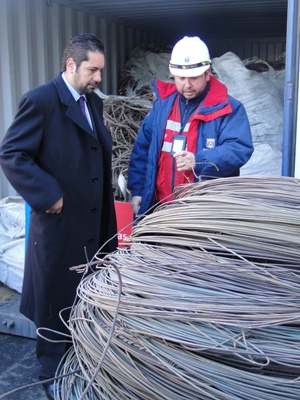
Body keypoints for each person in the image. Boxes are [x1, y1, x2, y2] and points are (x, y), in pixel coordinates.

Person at [0, 33, 117, 399]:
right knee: (54, 305)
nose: (99, 77)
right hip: (59, 227)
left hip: (92, 224)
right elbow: (12, 153)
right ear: (71, 65)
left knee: (84, 297)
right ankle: (53, 378)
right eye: (93, 70)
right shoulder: (42, 101)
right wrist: (49, 196)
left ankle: (81, 360)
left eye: (101, 69)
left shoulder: (92, 103)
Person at [128, 36, 254, 217]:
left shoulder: (229, 109)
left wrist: (199, 160)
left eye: (194, 78)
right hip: (160, 208)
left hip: (204, 214)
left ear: (207, 74)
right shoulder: (162, 107)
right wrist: (138, 190)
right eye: (181, 78)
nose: (187, 85)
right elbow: (142, 150)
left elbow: (238, 149)